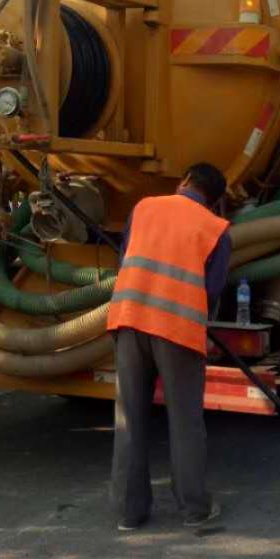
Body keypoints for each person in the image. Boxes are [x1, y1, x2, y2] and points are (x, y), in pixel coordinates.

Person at [106, 162, 232, 531]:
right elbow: (211, 290)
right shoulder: (216, 229)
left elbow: (125, 258)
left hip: (129, 320)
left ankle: (130, 513)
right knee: (185, 422)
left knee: (129, 418)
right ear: (215, 200)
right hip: (177, 330)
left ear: (185, 180)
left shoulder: (143, 207)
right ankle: (194, 508)